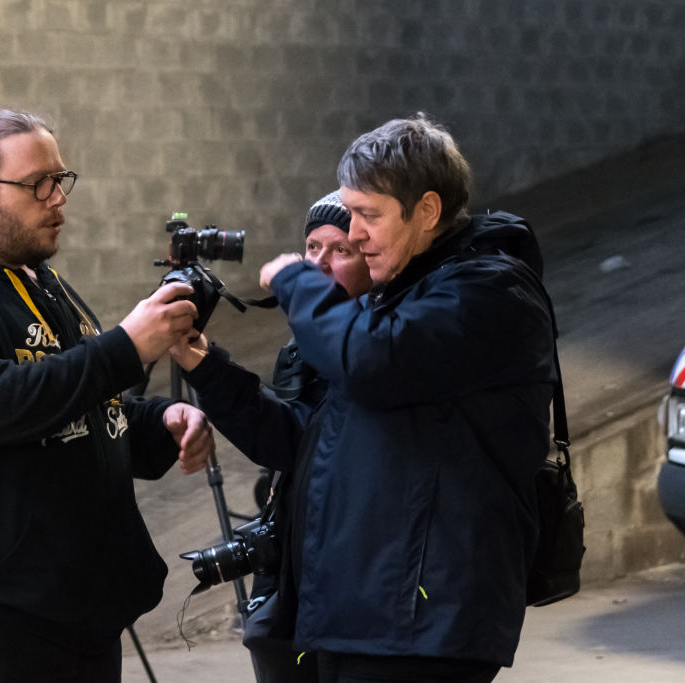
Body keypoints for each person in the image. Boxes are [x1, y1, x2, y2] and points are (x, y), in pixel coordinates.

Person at [181, 113, 557, 682]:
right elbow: (303, 441)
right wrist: (204, 367)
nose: (354, 233)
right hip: (368, 615)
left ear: (427, 210)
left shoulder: (488, 290)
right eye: (348, 214)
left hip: (418, 624)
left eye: (367, 215)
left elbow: (373, 360)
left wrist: (297, 281)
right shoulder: (400, 298)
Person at [0, 109, 215, 682]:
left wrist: (158, 425)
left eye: (60, 180)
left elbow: (71, 403)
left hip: (66, 609)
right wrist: (126, 347)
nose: (58, 199)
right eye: (37, 184)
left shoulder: (42, 283)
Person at [171, 190, 372, 682]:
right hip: (302, 583)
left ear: (375, 259)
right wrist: (203, 364)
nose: (319, 264)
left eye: (341, 250)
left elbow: (303, 442)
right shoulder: (303, 348)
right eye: (312, 247)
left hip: (354, 590)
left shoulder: (379, 349)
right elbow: (289, 440)